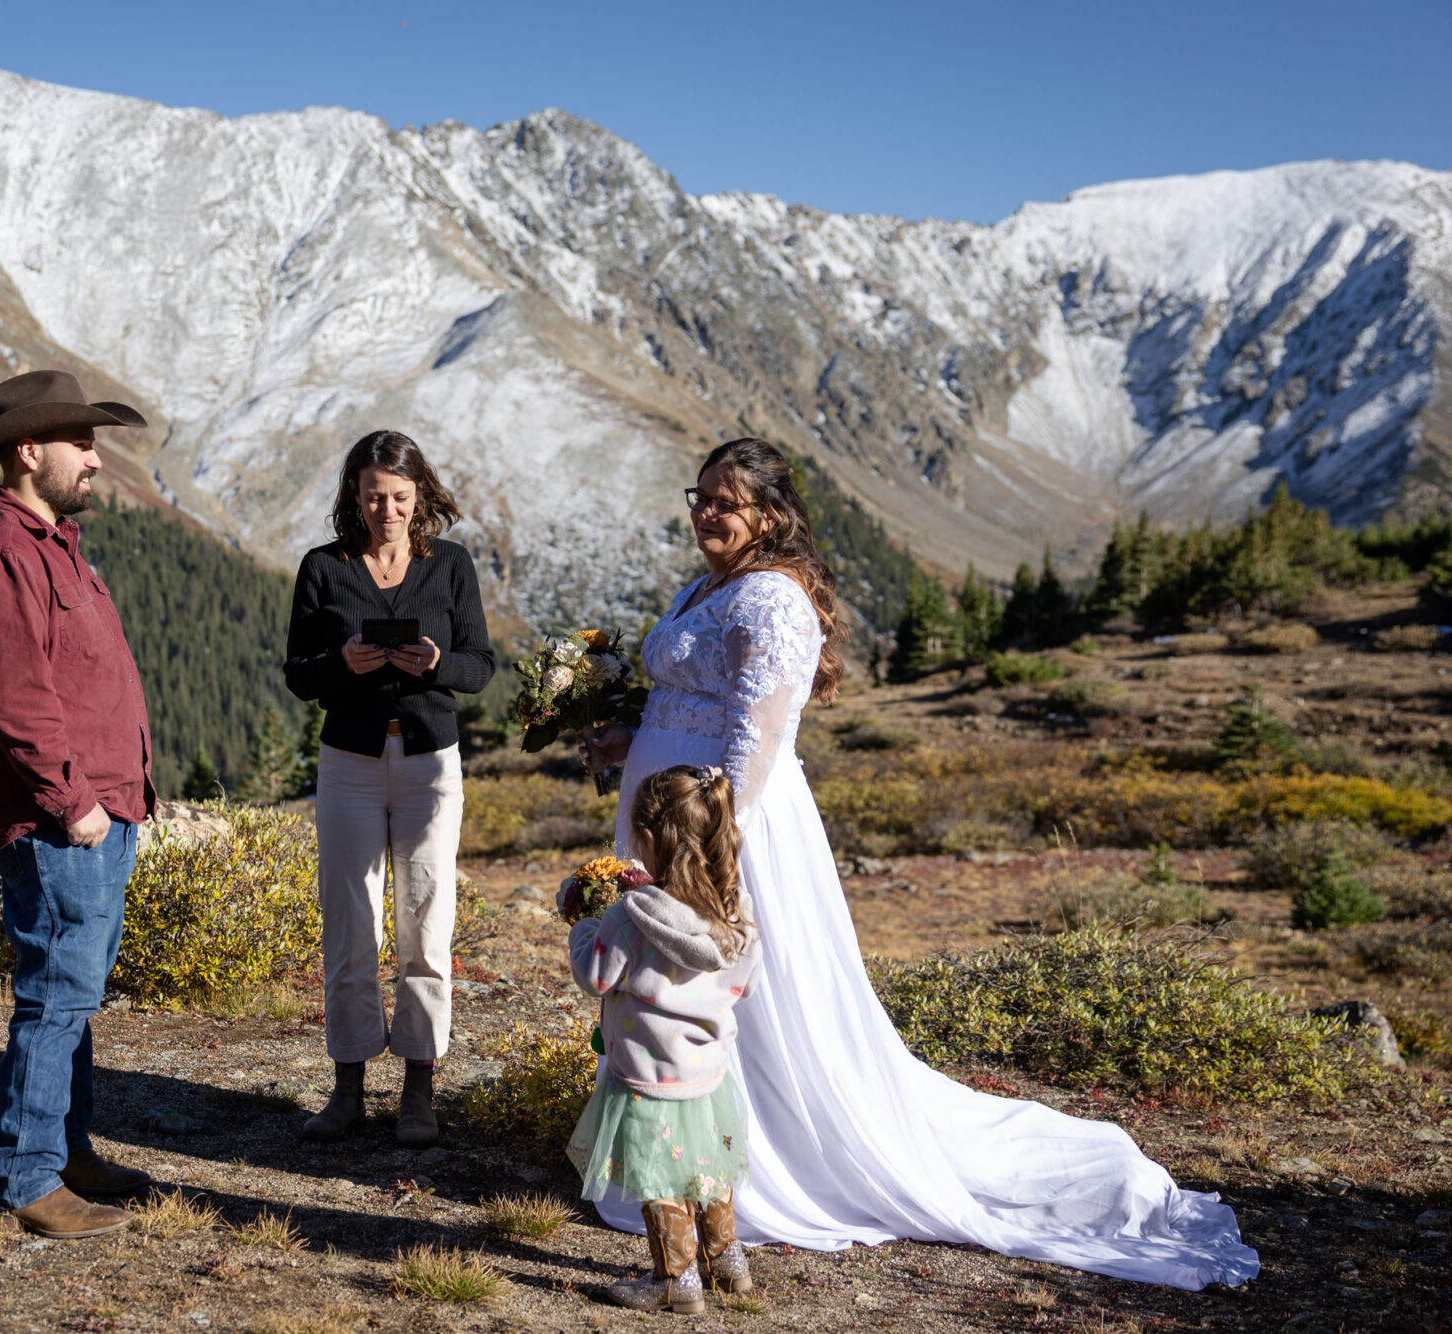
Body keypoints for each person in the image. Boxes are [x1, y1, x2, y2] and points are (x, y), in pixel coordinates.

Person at [581, 438, 1260, 1290]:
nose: (706, 513)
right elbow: (688, 700)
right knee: (666, 982)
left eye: (726, 501)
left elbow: (757, 735)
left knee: (725, 984)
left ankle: (743, 1162)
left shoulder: (772, 598)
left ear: (770, 515)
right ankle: (671, 1145)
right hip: (669, 822)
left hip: (721, 832)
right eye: (701, 497)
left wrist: (715, 846)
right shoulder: (703, 588)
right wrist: (630, 739)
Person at [0, 370, 157, 1240]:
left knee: (76, 993)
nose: (96, 461)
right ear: (30, 451)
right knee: (56, 996)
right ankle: (21, 1181)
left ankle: (64, 1150)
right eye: (83, 444)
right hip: (63, 820)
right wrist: (72, 803)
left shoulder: (51, 544)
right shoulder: (2, 554)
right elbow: (15, 698)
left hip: (103, 809)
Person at [283, 430, 495, 1149]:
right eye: (374, 497)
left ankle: (418, 1090)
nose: (387, 510)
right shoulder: (323, 567)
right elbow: (299, 674)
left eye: (400, 497)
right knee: (349, 921)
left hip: (431, 763)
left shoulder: (451, 565)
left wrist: (436, 664)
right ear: (355, 496)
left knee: (427, 921)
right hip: (348, 761)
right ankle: (347, 1089)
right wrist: (341, 664)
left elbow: (480, 665)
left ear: (420, 494)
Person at [564, 765, 762, 1315]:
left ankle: (675, 1281)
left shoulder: (632, 916)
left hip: (649, 1073)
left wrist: (583, 929)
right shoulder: (734, 909)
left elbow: (596, 976)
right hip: (706, 1072)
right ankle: (726, 1261)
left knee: (659, 1174)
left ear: (648, 840)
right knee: (707, 1162)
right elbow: (746, 984)